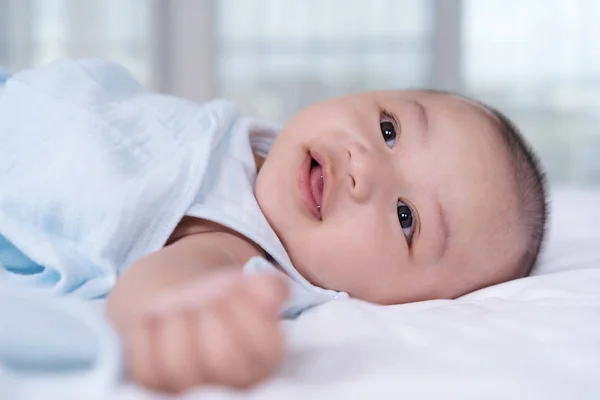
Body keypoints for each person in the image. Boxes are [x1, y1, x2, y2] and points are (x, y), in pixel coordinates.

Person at [0, 59, 547, 393]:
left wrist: (195, 320)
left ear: (398, 302)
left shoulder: (234, 246)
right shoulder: (254, 141)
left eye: (407, 218)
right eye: (388, 128)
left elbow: (159, 287)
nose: (365, 166)